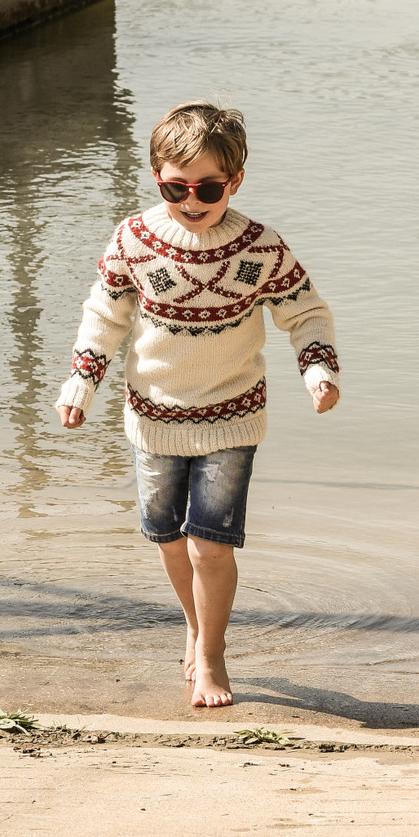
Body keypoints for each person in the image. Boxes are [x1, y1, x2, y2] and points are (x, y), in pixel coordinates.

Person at [58, 100, 341, 710]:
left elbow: (306, 312)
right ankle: (195, 622)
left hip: (232, 413)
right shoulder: (133, 240)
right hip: (153, 413)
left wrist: (318, 371)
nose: (191, 200)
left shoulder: (260, 248)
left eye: (207, 188)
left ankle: (211, 656)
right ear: (156, 175)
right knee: (166, 536)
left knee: (208, 544)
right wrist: (82, 384)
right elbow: (104, 317)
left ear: (234, 181)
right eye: (174, 186)